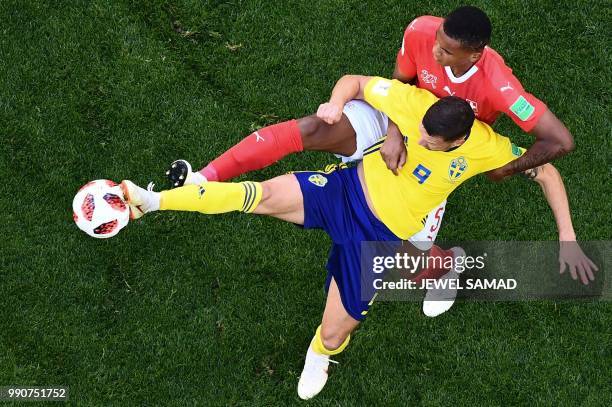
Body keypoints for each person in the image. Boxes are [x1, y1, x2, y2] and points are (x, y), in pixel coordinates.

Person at [122, 75, 551, 399]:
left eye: (430, 141)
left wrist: (565, 232)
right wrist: (341, 106)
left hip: (379, 239)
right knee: (257, 195)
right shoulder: (412, 102)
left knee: (333, 332)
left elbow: (546, 167)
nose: (418, 139)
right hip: (345, 193)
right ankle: (153, 201)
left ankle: (321, 353)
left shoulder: (486, 147)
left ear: (457, 140)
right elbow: (356, 82)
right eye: (417, 130)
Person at [165, 7, 595, 317]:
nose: (435, 52)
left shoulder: (499, 87)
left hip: (443, 147)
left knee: (407, 252)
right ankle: (204, 177)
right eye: (437, 43)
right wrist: (390, 131)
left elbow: (557, 142)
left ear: (476, 54)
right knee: (315, 128)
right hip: (406, 119)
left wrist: (509, 173)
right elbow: (398, 82)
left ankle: (445, 266)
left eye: (446, 51)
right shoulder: (422, 31)